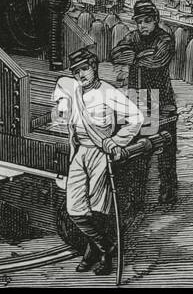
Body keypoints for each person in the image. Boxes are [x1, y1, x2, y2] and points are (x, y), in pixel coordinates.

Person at [52, 48, 145, 275]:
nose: (81, 75)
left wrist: (116, 141)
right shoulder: (72, 88)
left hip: (99, 153)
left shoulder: (107, 92)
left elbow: (136, 118)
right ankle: (107, 247)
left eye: (85, 68)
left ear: (94, 67)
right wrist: (61, 109)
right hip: (80, 152)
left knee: (97, 209)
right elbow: (60, 87)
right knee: (75, 209)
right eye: (76, 71)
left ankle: (97, 255)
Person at [109, 0, 178, 206]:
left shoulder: (165, 39)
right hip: (137, 100)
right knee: (138, 151)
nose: (143, 26)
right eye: (139, 22)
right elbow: (116, 54)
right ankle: (136, 198)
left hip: (161, 101)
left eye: (147, 21)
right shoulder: (133, 36)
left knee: (166, 152)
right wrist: (140, 56)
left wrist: (135, 57)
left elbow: (157, 60)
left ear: (156, 20)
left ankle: (168, 195)